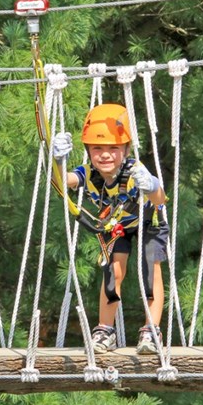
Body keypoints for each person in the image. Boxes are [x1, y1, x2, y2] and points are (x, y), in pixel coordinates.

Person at [51, 103, 169, 355]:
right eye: (98, 148)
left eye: (113, 148)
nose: (105, 155)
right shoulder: (88, 172)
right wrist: (57, 162)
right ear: (88, 151)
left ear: (126, 149)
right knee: (113, 273)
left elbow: (160, 199)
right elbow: (63, 183)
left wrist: (150, 185)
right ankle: (105, 330)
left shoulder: (134, 169)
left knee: (150, 271)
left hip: (148, 220)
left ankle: (151, 329)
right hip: (116, 225)